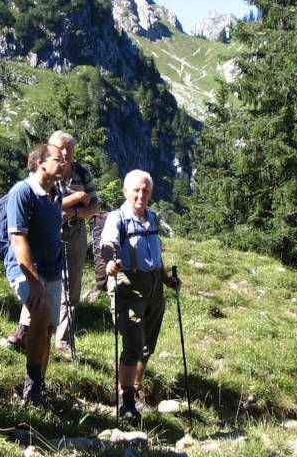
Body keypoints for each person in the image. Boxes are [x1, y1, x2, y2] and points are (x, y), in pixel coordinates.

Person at [9, 131, 98, 355]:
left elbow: (94, 207)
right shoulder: (44, 178)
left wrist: (76, 211)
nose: (66, 153)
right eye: (61, 149)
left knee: (71, 285)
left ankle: (63, 339)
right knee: (39, 281)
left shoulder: (81, 172)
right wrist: (77, 197)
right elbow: (51, 204)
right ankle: (25, 330)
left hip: (74, 232)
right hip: (50, 233)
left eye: (70, 149)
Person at [100, 169, 180, 420]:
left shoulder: (153, 218)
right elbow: (107, 245)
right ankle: (125, 399)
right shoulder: (118, 218)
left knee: (148, 344)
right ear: (125, 191)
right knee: (133, 341)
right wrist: (111, 260)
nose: (141, 194)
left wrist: (166, 278)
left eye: (145, 190)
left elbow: (155, 252)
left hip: (155, 284)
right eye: (136, 189)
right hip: (129, 284)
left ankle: (135, 390)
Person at [3, 143, 65, 405]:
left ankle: (39, 386)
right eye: (58, 159)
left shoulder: (56, 194)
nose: (64, 163)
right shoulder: (22, 192)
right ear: (40, 162)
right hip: (26, 270)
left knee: (48, 327)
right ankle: (32, 384)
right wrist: (34, 280)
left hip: (52, 270)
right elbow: (18, 238)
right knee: (39, 315)